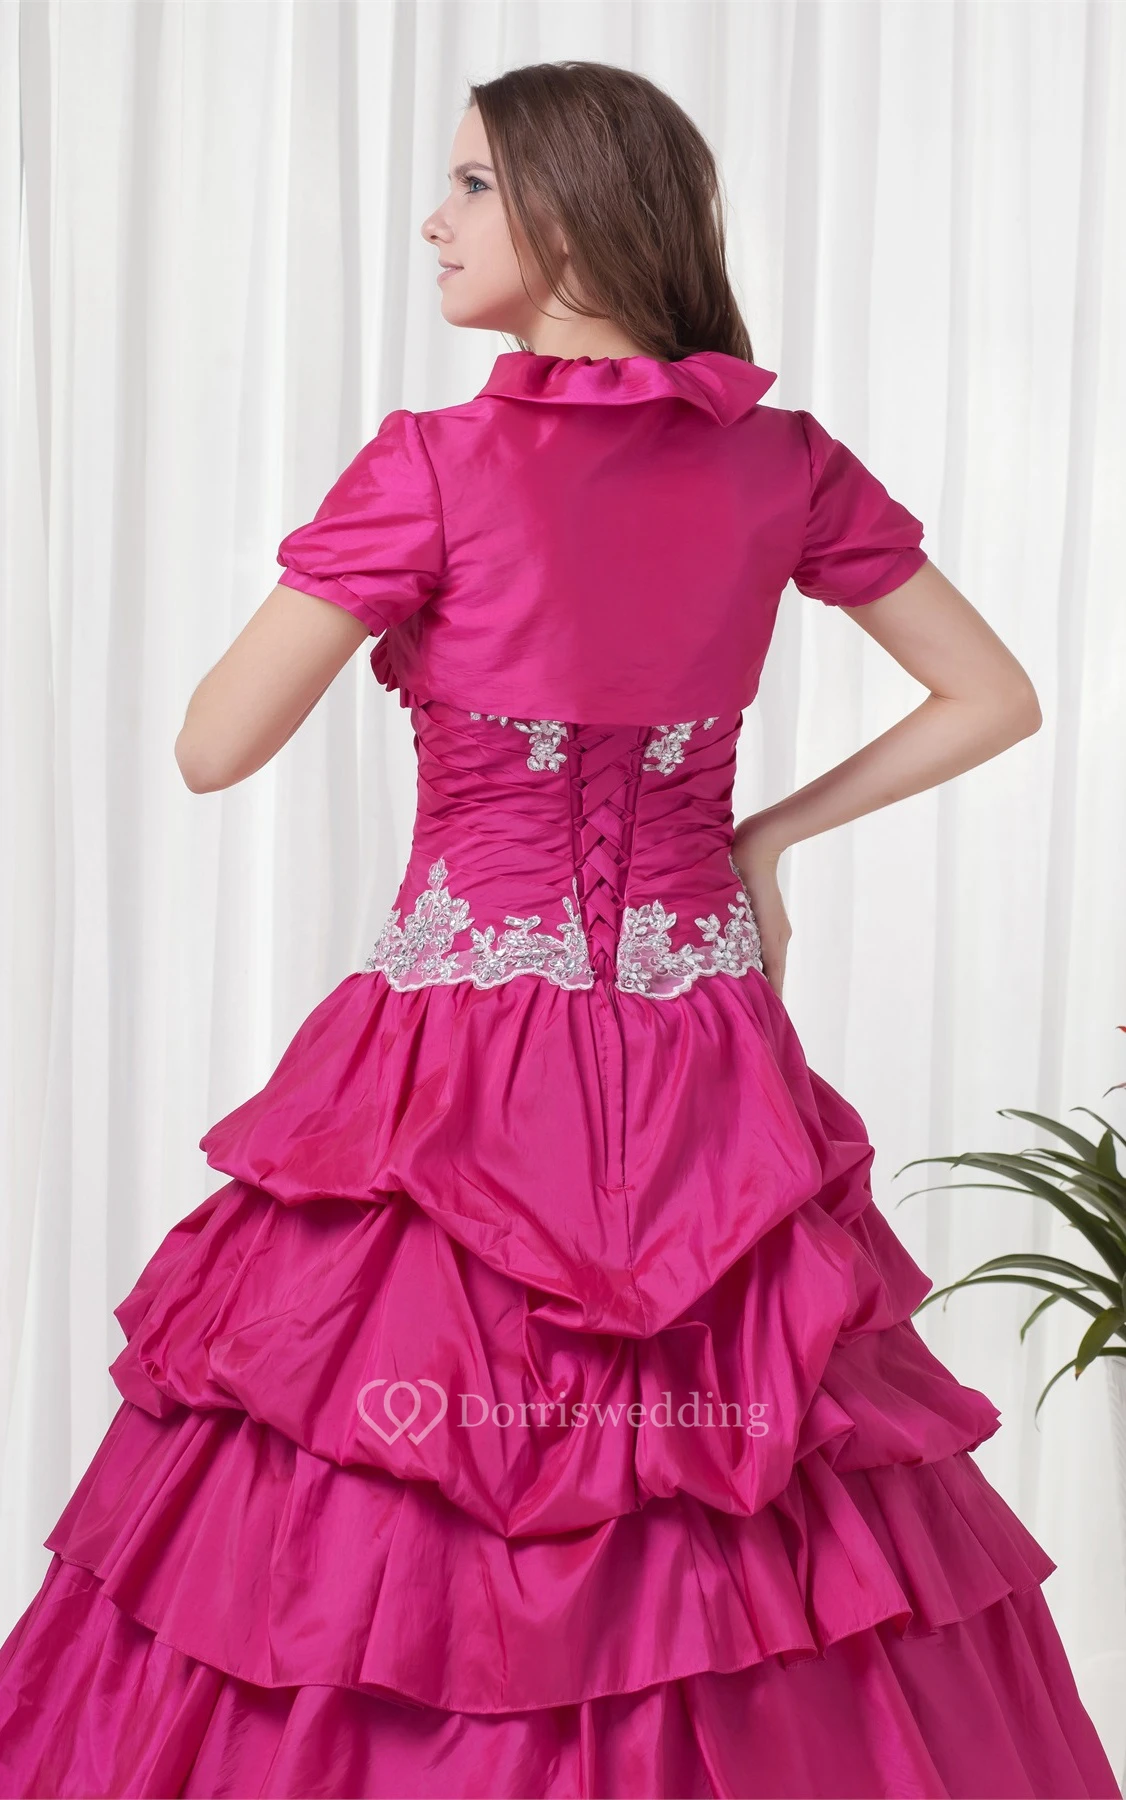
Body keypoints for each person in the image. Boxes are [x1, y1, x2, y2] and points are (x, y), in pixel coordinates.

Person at [0, 55, 1119, 1800]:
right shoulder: (785, 464)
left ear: (576, 213)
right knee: (729, 1466)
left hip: (452, 1069)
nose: (431, 222)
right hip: (701, 1058)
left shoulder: (432, 466)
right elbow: (994, 695)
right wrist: (763, 838)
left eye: (470, 186)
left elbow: (213, 748)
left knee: (386, 1463)